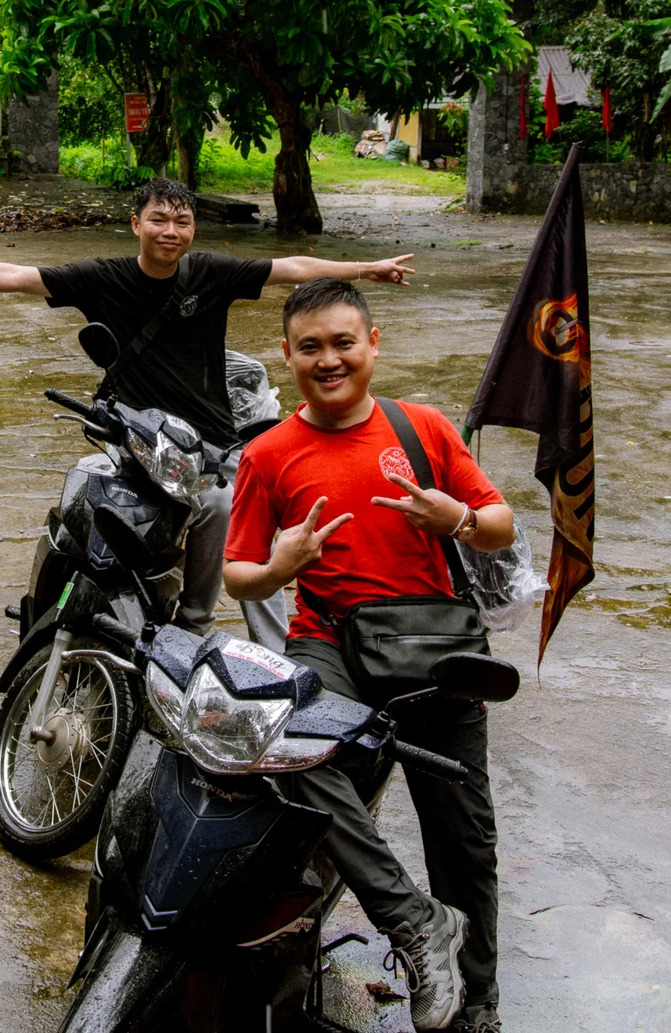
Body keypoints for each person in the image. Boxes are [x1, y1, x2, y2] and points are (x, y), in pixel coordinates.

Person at [0, 177, 415, 648]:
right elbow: (14, 275)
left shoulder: (209, 273)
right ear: (136, 224)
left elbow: (290, 267)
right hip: (133, 440)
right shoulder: (104, 277)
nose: (170, 232)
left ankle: (214, 630)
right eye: (159, 220)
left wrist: (367, 268)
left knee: (239, 519)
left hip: (210, 441)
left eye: (181, 221)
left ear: (193, 229)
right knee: (88, 499)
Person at [223, 278, 513, 1032]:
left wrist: (457, 518)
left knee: (464, 840)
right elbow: (238, 571)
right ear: (285, 355)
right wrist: (281, 568)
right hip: (332, 633)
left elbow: (500, 523)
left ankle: (475, 1005)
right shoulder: (268, 454)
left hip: (435, 640)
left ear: (373, 344)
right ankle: (412, 918)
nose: (329, 360)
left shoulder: (421, 428)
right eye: (311, 346)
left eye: (344, 342)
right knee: (295, 747)